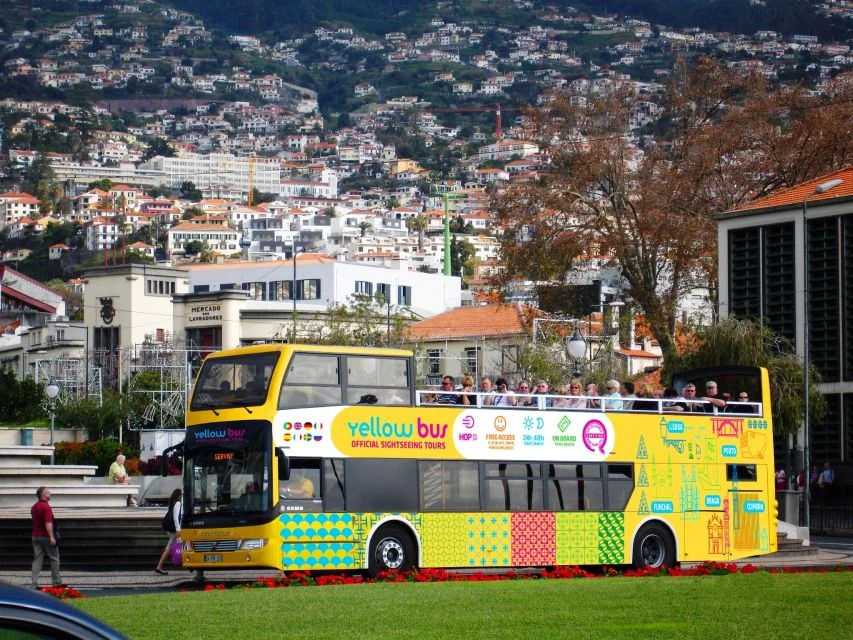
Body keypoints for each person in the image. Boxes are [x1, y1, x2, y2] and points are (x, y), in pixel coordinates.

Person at [32, 487, 62, 590]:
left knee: (37, 560)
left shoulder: (34, 507)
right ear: (43, 495)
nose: (50, 494)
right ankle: (56, 582)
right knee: (54, 558)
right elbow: (48, 523)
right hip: (45, 536)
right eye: (48, 492)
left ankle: (34, 583)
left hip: (35, 536)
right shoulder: (46, 507)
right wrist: (52, 537)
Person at [155, 488, 182, 575]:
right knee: (170, 547)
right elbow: (175, 517)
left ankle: (159, 567)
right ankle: (159, 566)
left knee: (169, 547)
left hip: (172, 529)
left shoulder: (172, 503)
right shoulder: (178, 503)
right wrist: (178, 529)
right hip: (175, 530)